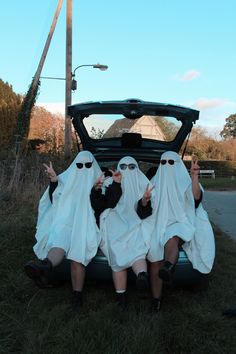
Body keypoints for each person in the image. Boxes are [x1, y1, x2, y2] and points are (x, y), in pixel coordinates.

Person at [24, 151, 105, 311]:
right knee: (58, 241)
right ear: (74, 166)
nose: (83, 169)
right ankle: (44, 267)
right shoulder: (66, 180)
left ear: (93, 166)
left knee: (77, 257)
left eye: (88, 165)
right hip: (67, 223)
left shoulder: (101, 182)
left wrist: (96, 190)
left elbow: (102, 206)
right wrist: (54, 181)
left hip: (87, 226)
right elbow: (55, 198)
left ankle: (77, 297)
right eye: (79, 165)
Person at [147, 151, 215, 314]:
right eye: (163, 163)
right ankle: (156, 300)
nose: (167, 166)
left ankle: (169, 267)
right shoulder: (154, 182)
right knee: (155, 259)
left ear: (178, 164)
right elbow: (145, 206)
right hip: (157, 224)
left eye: (172, 162)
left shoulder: (186, 181)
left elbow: (196, 199)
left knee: (172, 238)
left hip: (180, 222)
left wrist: (194, 176)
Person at [98, 156, 154, 309]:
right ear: (118, 167)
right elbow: (108, 204)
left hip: (136, 222)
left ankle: (138, 280)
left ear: (137, 168)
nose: (127, 170)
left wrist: (144, 200)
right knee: (121, 251)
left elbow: (146, 212)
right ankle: (140, 277)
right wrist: (116, 183)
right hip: (115, 222)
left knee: (137, 250)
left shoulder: (145, 184)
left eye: (131, 167)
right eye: (123, 166)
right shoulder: (109, 182)